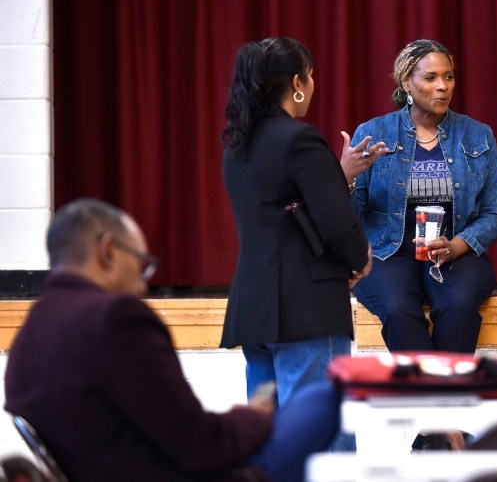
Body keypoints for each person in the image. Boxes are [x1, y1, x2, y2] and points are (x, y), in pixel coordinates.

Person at [4, 199, 341, 482]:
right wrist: (254, 416)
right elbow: (200, 446)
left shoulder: (29, 333)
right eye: (141, 266)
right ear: (107, 250)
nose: (141, 287)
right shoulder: (115, 318)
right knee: (325, 398)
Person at [219, 37, 372, 451]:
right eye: (311, 73)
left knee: (272, 443)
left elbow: (287, 210)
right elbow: (337, 222)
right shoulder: (299, 139)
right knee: (322, 445)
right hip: (307, 305)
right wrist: (361, 258)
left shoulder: (237, 145)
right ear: (297, 82)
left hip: (255, 305)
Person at [344, 39, 497, 355]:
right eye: (430, 78)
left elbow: (495, 213)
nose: (442, 87)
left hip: (453, 249)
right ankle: (429, 393)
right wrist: (347, 177)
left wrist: (459, 245)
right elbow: (353, 215)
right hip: (387, 252)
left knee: (459, 305)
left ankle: (443, 391)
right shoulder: (374, 132)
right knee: (397, 309)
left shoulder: (477, 134)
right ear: (407, 81)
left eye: (448, 77)